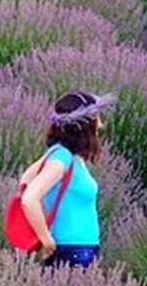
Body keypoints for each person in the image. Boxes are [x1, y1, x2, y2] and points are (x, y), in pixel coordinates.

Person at [16, 91, 113, 268]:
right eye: (96, 119)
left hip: (79, 248)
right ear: (83, 125)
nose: (100, 124)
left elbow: (26, 178)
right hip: (72, 251)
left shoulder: (62, 154)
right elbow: (29, 199)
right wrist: (45, 239)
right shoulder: (62, 159)